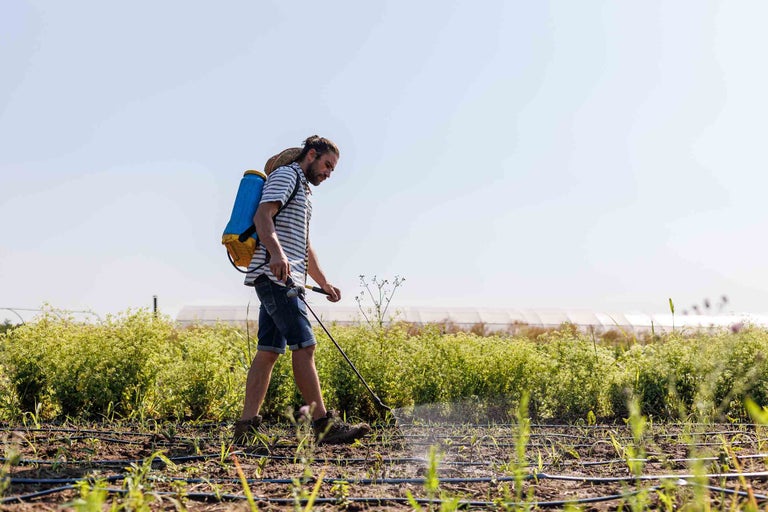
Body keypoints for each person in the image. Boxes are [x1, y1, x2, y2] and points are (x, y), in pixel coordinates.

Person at [234, 135, 371, 445]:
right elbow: (262, 216)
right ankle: (323, 425)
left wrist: (324, 283)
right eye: (327, 165)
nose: (329, 173)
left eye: (332, 169)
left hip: (284, 278)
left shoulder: (304, 192)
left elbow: (304, 246)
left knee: (268, 352)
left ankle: (245, 428)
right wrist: (277, 254)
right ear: (311, 154)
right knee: (305, 347)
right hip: (277, 278)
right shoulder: (287, 176)